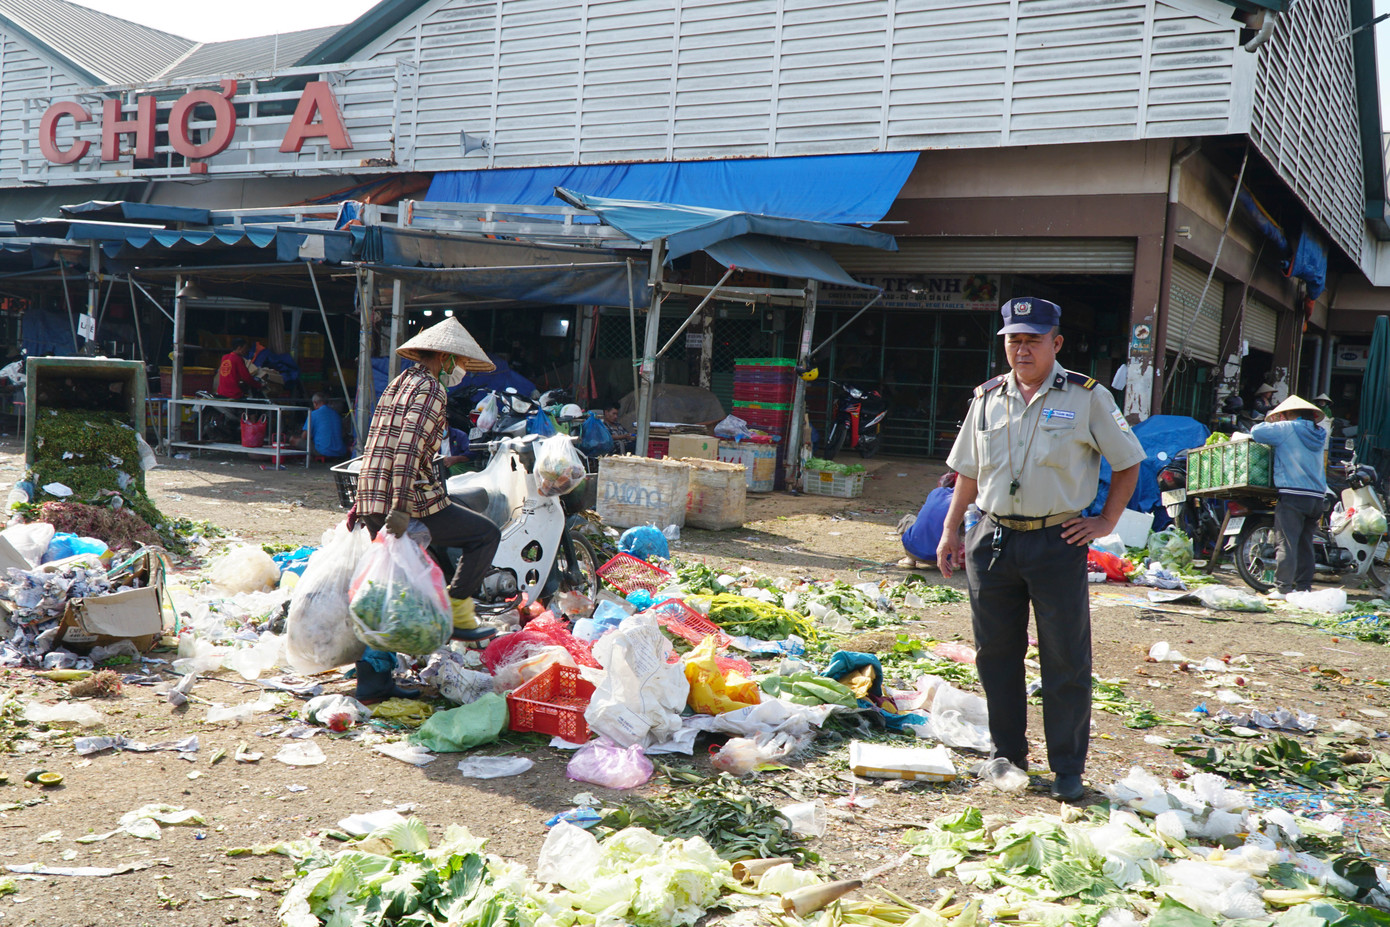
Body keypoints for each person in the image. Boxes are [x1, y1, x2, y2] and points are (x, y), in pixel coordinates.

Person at [937, 297, 1146, 802]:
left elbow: (1127, 462)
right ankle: (1006, 754)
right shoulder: (987, 398)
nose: (1022, 349)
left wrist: (1105, 520)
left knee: (1065, 657)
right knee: (995, 654)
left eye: (1033, 340)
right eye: (1014, 340)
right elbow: (968, 471)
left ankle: (1067, 767)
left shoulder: (1087, 397)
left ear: (1056, 343)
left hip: (1057, 540)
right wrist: (950, 531)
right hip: (992, 539)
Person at [351, 318, 501, 702]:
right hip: (411, 500)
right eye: (460, 362)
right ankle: (459, 612)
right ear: (446, 358)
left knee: (391, 589)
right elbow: (407, 451)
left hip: (374, 494)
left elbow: (375, 443)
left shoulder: (399, 383)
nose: (461, 370)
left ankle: (372, 681)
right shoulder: (432, 389)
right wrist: (401, 509)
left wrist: (362, 502)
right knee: (485, 535)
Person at [1250, 395, 1328, 600]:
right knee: (1305, 543)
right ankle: (1304, 587)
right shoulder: (1319, 433)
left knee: (1286, 543)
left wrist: (1275, 421)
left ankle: (1283, 588)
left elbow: (1256, 432)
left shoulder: (1287, 428)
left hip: (1294, 495)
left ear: (1288, 414)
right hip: (1317, 496)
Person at [897, 472, 956, 569]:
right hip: (944, 554)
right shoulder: (968, 501)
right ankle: (952, 561)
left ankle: (910, 559)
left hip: (914, 550)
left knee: (908, 518)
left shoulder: (935, 493)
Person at [291, 392, 346, 459]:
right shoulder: (336, 414)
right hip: (340, 451)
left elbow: (304, 436)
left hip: (323, 451)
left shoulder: (313, 414)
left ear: (315, 403)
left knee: (294, 440)